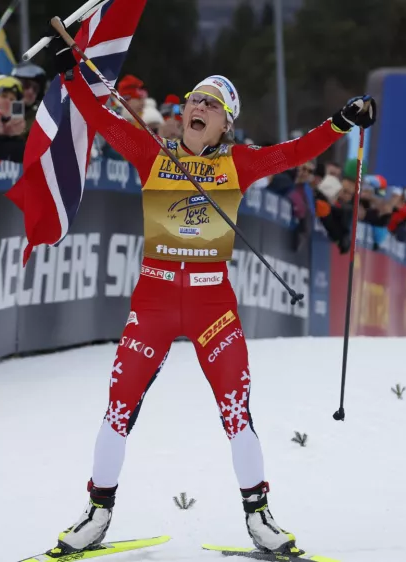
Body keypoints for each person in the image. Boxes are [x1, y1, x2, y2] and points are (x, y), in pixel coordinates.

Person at [46, 41, 377, 557]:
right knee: (117, 408)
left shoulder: (239, 165)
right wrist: (70, 74)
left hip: (212, 307)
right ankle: (97, 512)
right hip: (152, 304)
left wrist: (342, 122)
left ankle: (260, 516)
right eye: (193, 102)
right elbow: (101, 117)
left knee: (236, 410)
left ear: (226, 124)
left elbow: (293, 152)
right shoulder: (151, 153)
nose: (196, 109)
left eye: (210, 105)